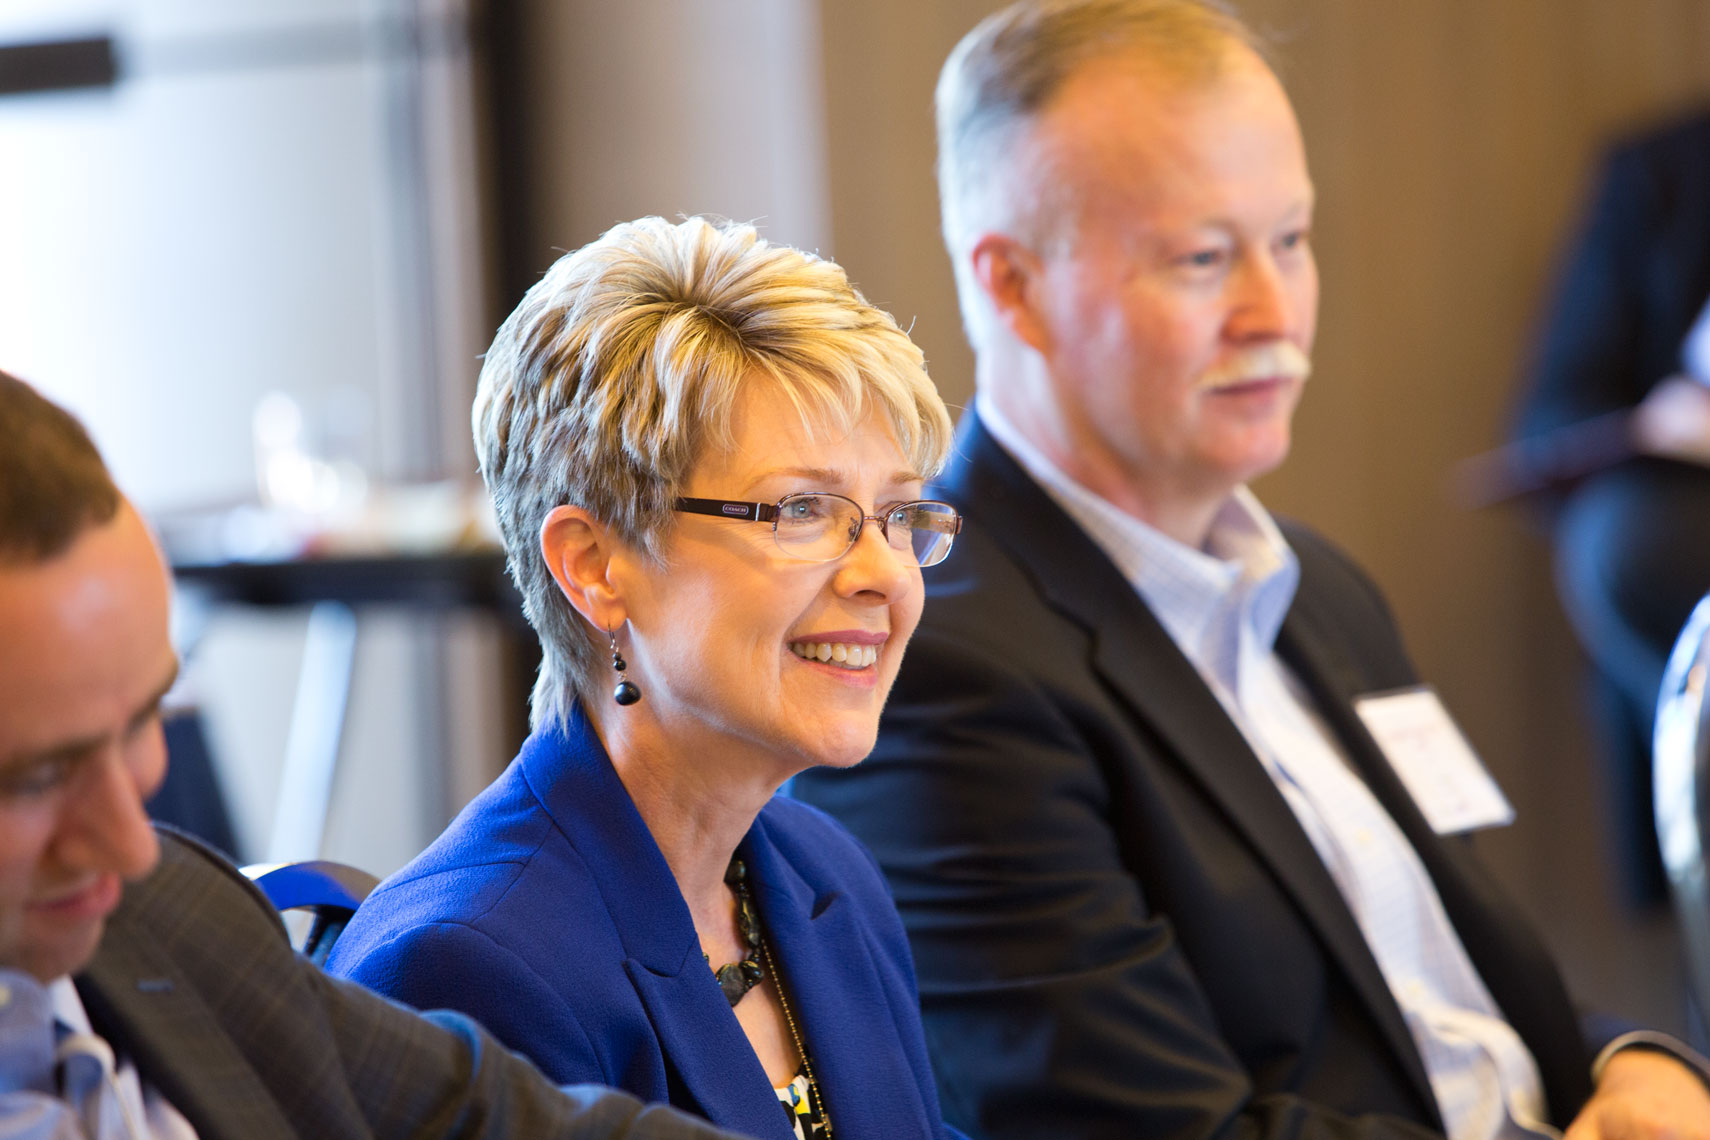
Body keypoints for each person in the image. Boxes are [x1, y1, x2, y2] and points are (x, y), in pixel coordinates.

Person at [790, 3, 1710, 1138]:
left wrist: (1640, 1063)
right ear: (1015, 287)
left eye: (1291, 241)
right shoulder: (934, 663)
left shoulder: (1317, 588)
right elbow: (1145, 1130)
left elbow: (1459, 990)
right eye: (1204, 259)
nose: (1275, 315)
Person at [328, 216, 967, 1140]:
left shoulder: (826, 874)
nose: (886, 576)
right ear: (594, 566)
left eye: (901, 514)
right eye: (801, 510)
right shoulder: (463, 970)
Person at [0, 369, 749, 1140]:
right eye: (37, 778)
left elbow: (496, 1120)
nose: (131, 845)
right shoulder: (480, 943)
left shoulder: (172, 919)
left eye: (142, 720)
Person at [1511, 108, 1710, 908]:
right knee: (1623, 540)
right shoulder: (1663, 173)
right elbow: (1550, 424)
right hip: (1691, 520)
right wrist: (1665, 422)